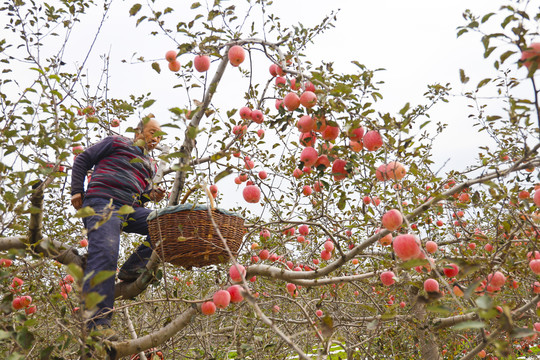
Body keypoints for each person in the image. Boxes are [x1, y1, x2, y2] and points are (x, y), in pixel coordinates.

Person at [70, 116, 165, 333]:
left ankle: (133, 267)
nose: (155, 138)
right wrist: (77, 189)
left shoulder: (151, 165)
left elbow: (137, 198)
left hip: (127, 210)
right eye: (152, 132)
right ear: (138, 132)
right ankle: (98, 324)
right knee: (105, 255)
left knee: (164, 223)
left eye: (159, 135)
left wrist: (150, 195)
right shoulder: (117, 142)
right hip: (102, 203)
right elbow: (83, 159)